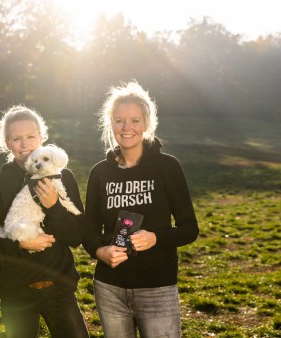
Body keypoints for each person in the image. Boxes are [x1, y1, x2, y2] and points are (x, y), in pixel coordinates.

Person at [82, 81, 199, 337]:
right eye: (119, 120)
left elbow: (190, 229)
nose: (126, 128)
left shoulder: (168, 167)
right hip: (110, 287)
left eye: (135, 120)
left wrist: (155, 237)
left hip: (157, 287)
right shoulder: (99, 173)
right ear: (110, 124)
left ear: (146, 124)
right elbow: (88, 231)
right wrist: (100, 252)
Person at [0, 105, 89, 338]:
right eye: (16, 138)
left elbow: (77, 236)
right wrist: (20, 244)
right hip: (17, 292)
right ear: (7, 142)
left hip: (59, 287)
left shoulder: (63, 176)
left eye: (31, 136)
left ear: (41, 136)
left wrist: (54, 208)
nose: (24, 144)